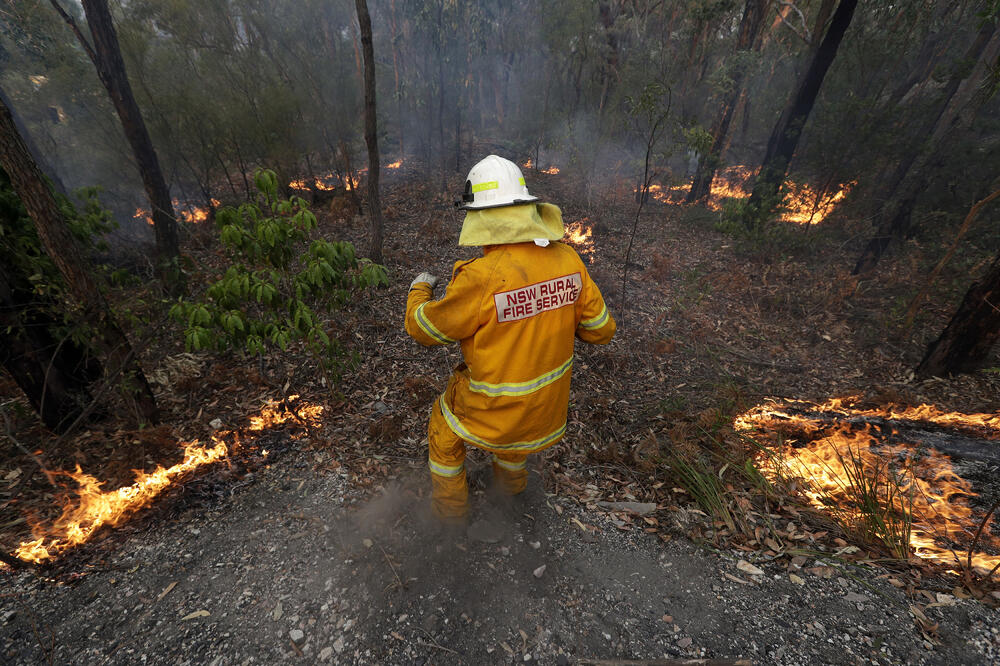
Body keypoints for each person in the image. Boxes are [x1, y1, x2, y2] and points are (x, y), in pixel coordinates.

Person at [404, 154, 616, 521]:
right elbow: (601, 331)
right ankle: (510, 495)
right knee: (512, 445)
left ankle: (451, 517)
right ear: (524, 208)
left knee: (444, 429)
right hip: (543, 413)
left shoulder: (482, 277)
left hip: (494, 411)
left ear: (480, 218)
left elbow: (424, 330)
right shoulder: (569, 260)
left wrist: (418, 290)